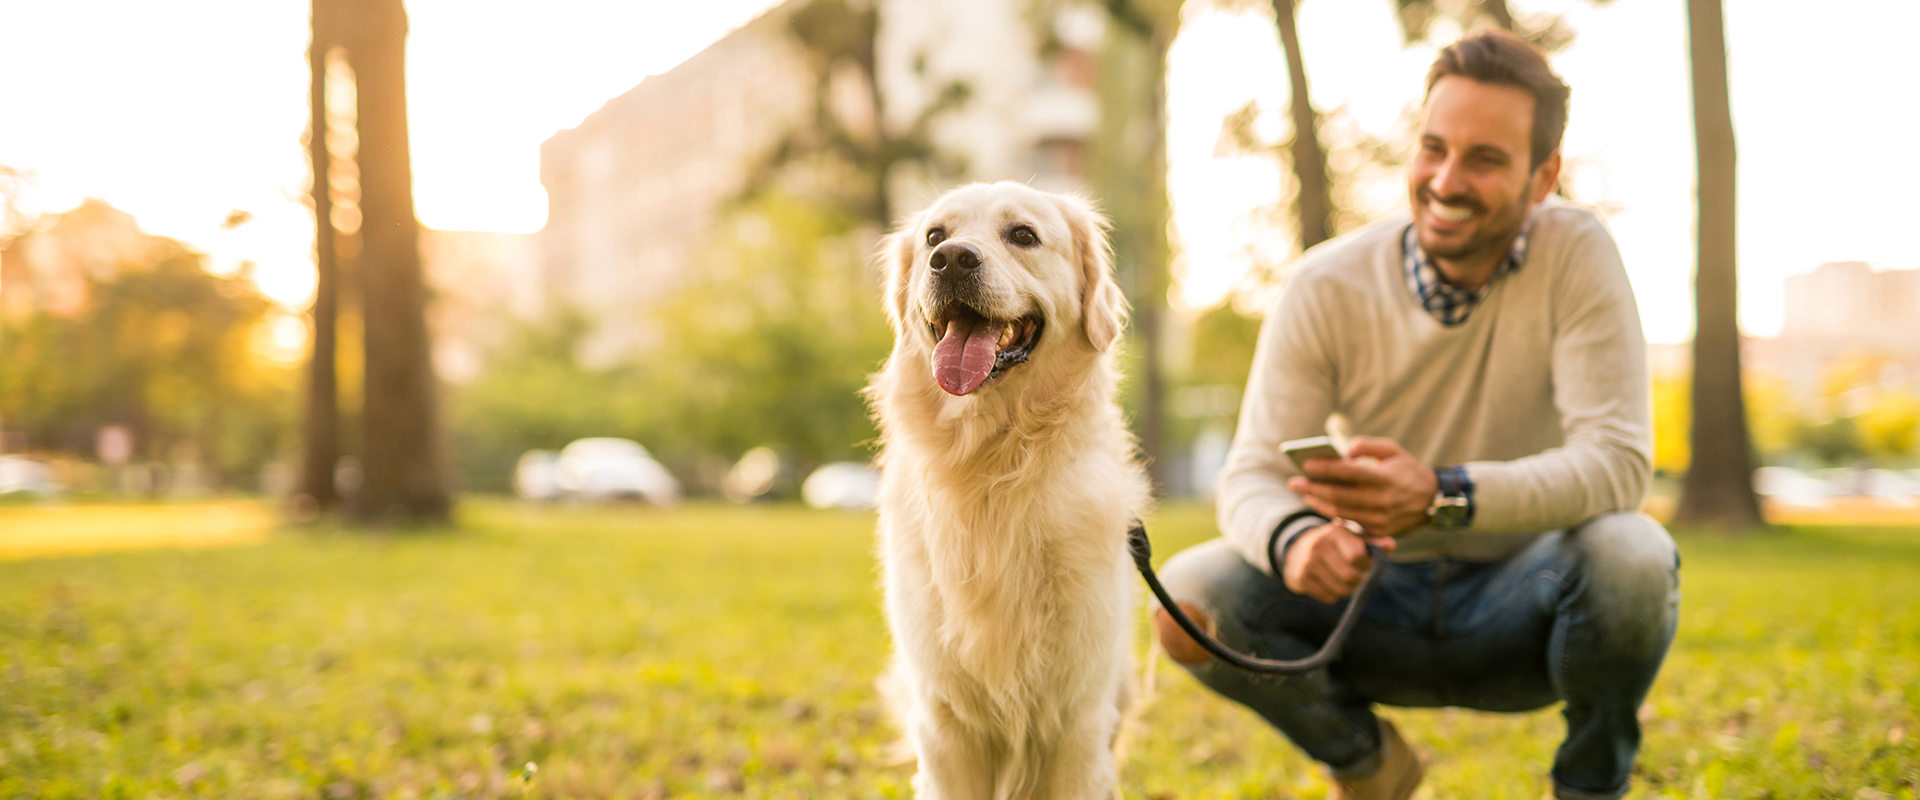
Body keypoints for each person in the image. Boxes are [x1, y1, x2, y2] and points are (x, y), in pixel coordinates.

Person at [1152, 29, 1679, 800]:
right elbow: (1251, 474)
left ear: (1543, 177)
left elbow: (1619, 464)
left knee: (1634, 555)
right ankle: (1369, 767)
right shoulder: (1324, 285)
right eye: (1433, 148)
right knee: (1189, 598)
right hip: (1367, 606)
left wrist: (1442, 492)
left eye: (1485, 159)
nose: (1445, 179)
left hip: (1526, 604)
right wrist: (1295, 542)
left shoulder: (1578, 253)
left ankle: (1591, 787)